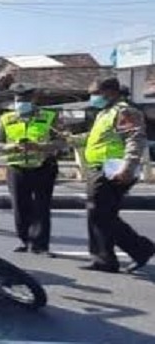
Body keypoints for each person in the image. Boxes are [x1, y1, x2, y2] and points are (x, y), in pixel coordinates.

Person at [82, 77, 155, 273]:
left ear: (111, 92)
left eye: (96, 93)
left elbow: (135, 139)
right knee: (101, 214)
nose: (93, 97)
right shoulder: (104, 113)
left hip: (113, 169)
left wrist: (128, 168)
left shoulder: (124, 110)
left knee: (98, 213)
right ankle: (105, 258)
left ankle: (139, 249)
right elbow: (98, 140)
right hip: (99, 167)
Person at [0, 84, 64, 256]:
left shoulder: (49, 117)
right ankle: (25, 240)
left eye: (24, 99)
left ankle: (40, 245)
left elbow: (62, 142)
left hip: (43, 166)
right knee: (19, 206)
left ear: (33, 100)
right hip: (17, 168)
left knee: (41, 207)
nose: (21, 103)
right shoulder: (6, 119)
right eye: (18, 100)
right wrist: (11, 147)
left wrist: (40, 146)